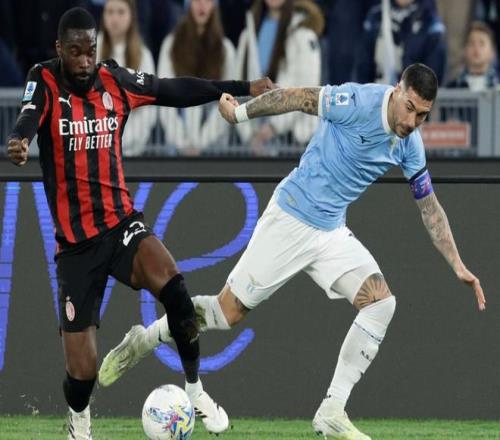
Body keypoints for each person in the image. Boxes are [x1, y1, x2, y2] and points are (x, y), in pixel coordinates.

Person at [98, 63, 485, 439]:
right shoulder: (357, 102)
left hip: (331, 232)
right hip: (291, 217)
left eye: (423, 115)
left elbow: (429, 207)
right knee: (225, 313)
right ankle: (145, 338)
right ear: (397, 91)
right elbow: (298, 98)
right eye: (410, 108)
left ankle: (332, 411)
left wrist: (457, 264)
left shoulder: (410, 146)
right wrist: (240, 114)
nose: (413, 121)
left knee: (381, 303)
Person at [6, 7, 273, 439]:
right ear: (59, 49)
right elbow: (28, 115)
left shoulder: (115, 80)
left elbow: (172, 89)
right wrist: (19, 139)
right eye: (75, 52)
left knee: (176, 290)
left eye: (90, 51)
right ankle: (79, 419)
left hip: (121, 226)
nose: (84, 61)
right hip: (76, 247)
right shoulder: (45, 79)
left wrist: (240, 88)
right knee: (83, 372)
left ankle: (195, 390)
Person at [235, 0, 324, 155]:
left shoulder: (303, 33)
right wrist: (250, 136)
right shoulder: (248, 33)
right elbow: (237, 84)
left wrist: (272, 128)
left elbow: (308, 88)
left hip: (295, 142)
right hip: (255, 142)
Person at [157, 0, 236, 155]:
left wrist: (201, 144)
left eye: (207, 1)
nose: (202, 5)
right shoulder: (171, 45)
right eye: (197, 1)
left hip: (214, 150)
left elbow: (229, 101)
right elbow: (163, 96)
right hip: (176, 150)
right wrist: (183, 143)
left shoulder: (226, 50)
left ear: (214, 6)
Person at [97, 0, 157, 156]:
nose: (115, 18)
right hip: (96, 147)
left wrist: (123, 142)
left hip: (133, 150)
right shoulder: (92, 49)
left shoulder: (143, 55)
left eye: (121, 12)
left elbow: (148, 109)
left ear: (132, 16)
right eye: (110, 12)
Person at [356, 0, 447, 85]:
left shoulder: (431, 23)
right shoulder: (375, 17)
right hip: (378, 92)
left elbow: (433, 80)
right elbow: (363, 69)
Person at [447, 21, 499, 90]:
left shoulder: (497, 85)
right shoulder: (452, 88)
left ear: (492, 52)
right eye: (471, 43)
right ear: (464, 50)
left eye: (482, 43)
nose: (476, 48)